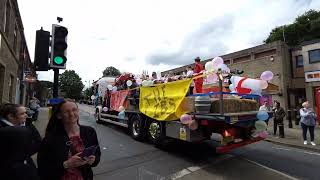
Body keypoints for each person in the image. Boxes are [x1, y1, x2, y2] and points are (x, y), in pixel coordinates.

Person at [37, 99, 101, 180]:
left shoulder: (90, 132)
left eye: (74, 110)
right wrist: (66, 164)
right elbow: (42, 169)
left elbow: (97, 154)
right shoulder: (50, 139)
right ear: (59, 115)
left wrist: (93, 160)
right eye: (66, 112)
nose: (71, 114)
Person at [0, 103, 41, 180]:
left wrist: (25, 154)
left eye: (26, 113)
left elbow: (38, 141)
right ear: (11, 116)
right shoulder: (2, 129)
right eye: (22, 113)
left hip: (28, 166)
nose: (26, 115)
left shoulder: (28, 124)